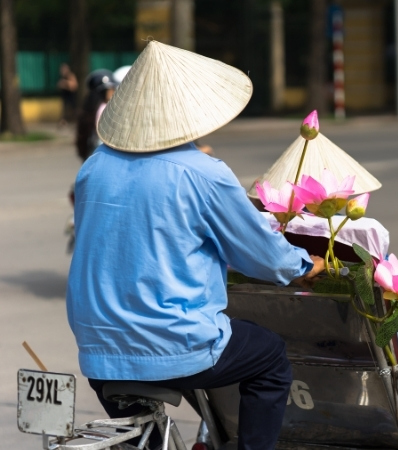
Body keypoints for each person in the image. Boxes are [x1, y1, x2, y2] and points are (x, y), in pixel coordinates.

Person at [66, 40, 325, 450]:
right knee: (270, 357)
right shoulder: (204, 173)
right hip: (175, 342)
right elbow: (264, 258)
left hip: (99, 350)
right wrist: (305, 265)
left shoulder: (93, 168)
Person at [75, 69, 117, 161]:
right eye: (111, 89)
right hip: (104, 151)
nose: (114, 92)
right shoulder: (105, 109)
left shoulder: (90, 110)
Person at [56, 63, 78, 128]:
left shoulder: (71, 76)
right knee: (64, 109)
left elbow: (74, 86)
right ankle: (63, 121)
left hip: (71, 96)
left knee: (73, 109)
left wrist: (65, 83)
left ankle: (76, 120)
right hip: (65, 96)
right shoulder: (63, 78)